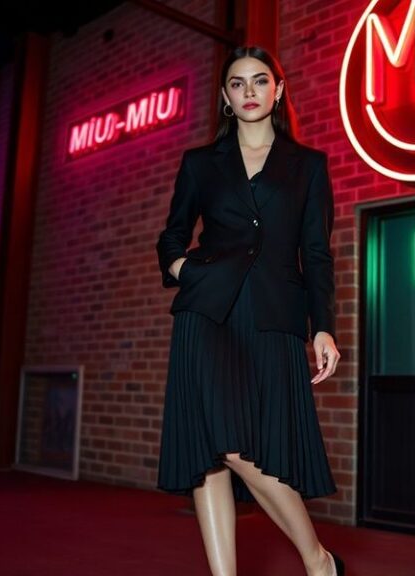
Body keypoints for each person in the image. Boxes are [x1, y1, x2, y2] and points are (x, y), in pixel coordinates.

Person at [155, 45, 344, 576]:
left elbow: (317, 253)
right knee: (211, 448)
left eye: (260, 81)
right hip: (207, 315)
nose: (250, 92)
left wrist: (323, 327)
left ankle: (318, 560)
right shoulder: (200, 163)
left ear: (278, 90)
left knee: (242, 447)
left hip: (272, 315)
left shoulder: (308, 166)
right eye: (237, 84)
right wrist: (183, 270)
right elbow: (171, 236)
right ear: (225, 98)